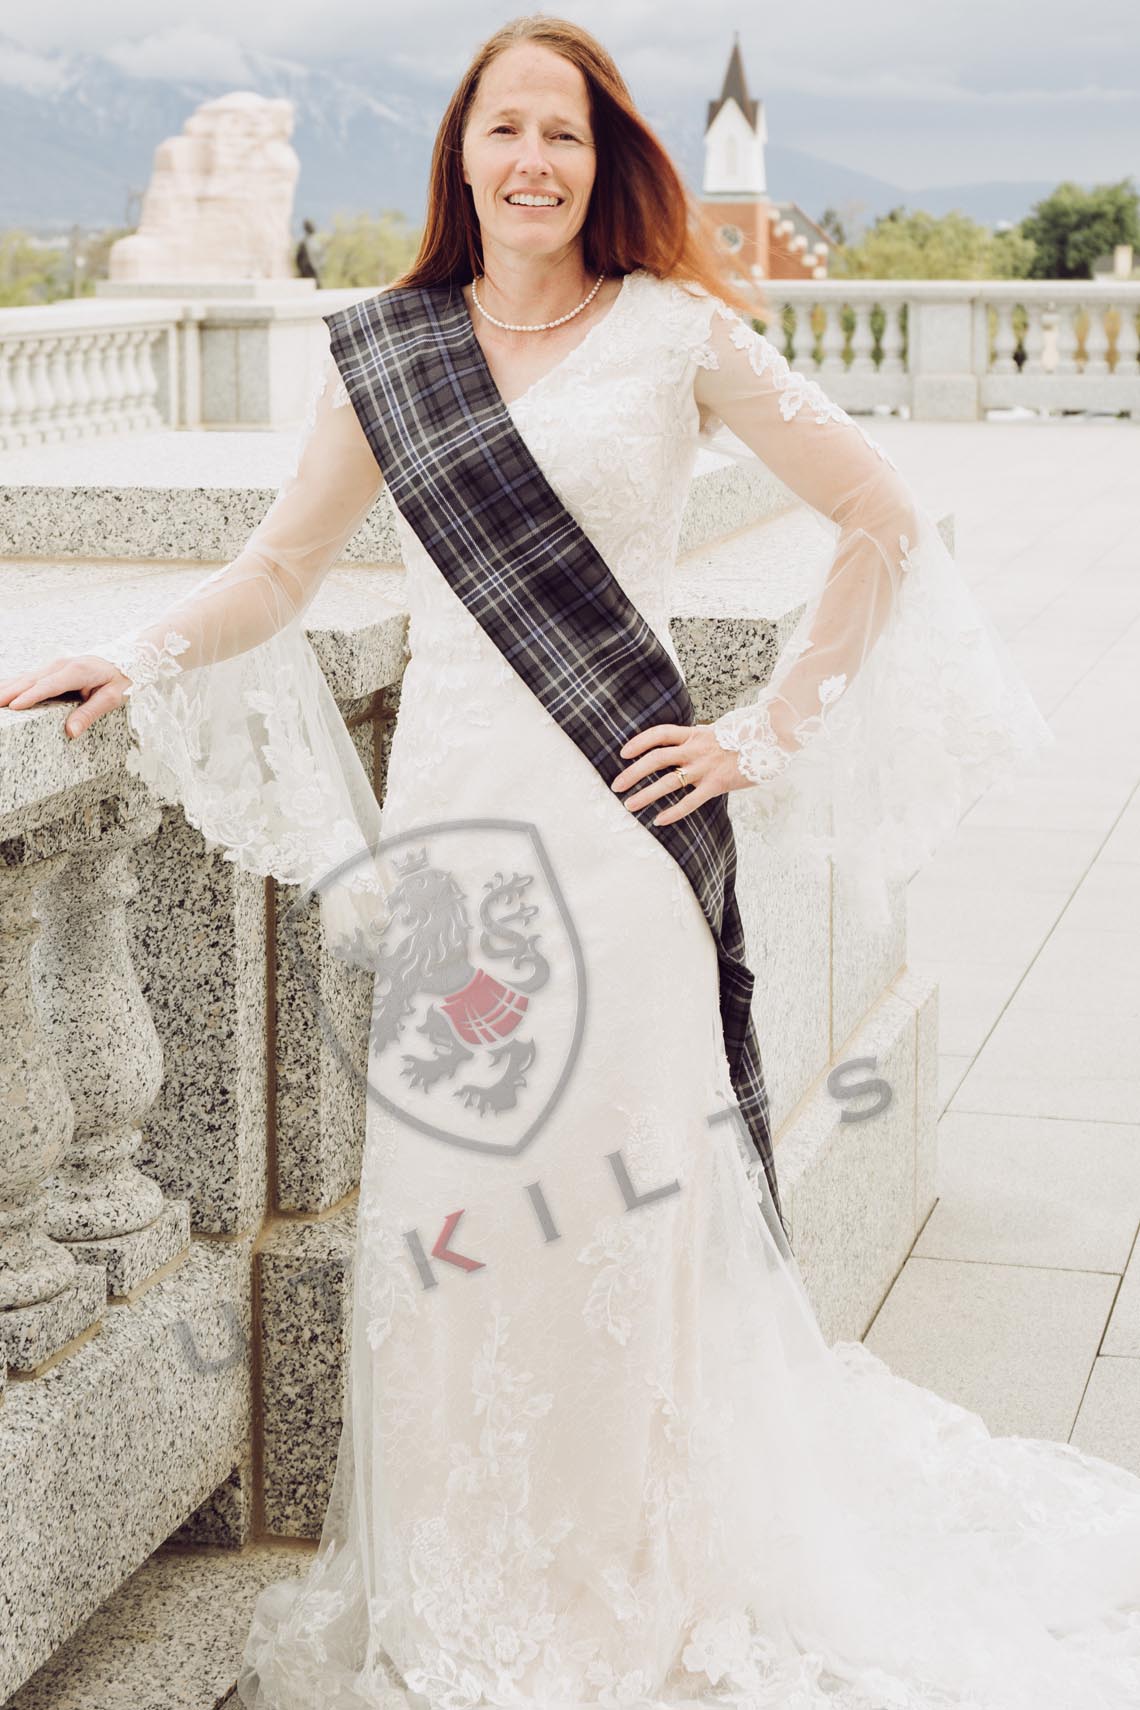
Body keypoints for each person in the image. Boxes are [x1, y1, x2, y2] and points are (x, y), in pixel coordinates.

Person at [4, 16, 1139, 1709]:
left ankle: (629, 1589)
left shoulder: (681, 332)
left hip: (623, 842)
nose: (535, 158)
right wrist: (135, 654)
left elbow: (880, 518)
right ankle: (474, 1581)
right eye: (505, 128)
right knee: (460, 1223)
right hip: (463, 852)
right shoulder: (388, 350)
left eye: (568, 133)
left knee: (619, 1227)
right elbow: (273, 572)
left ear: (607, 161)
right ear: (461, 155)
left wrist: (761, 737)